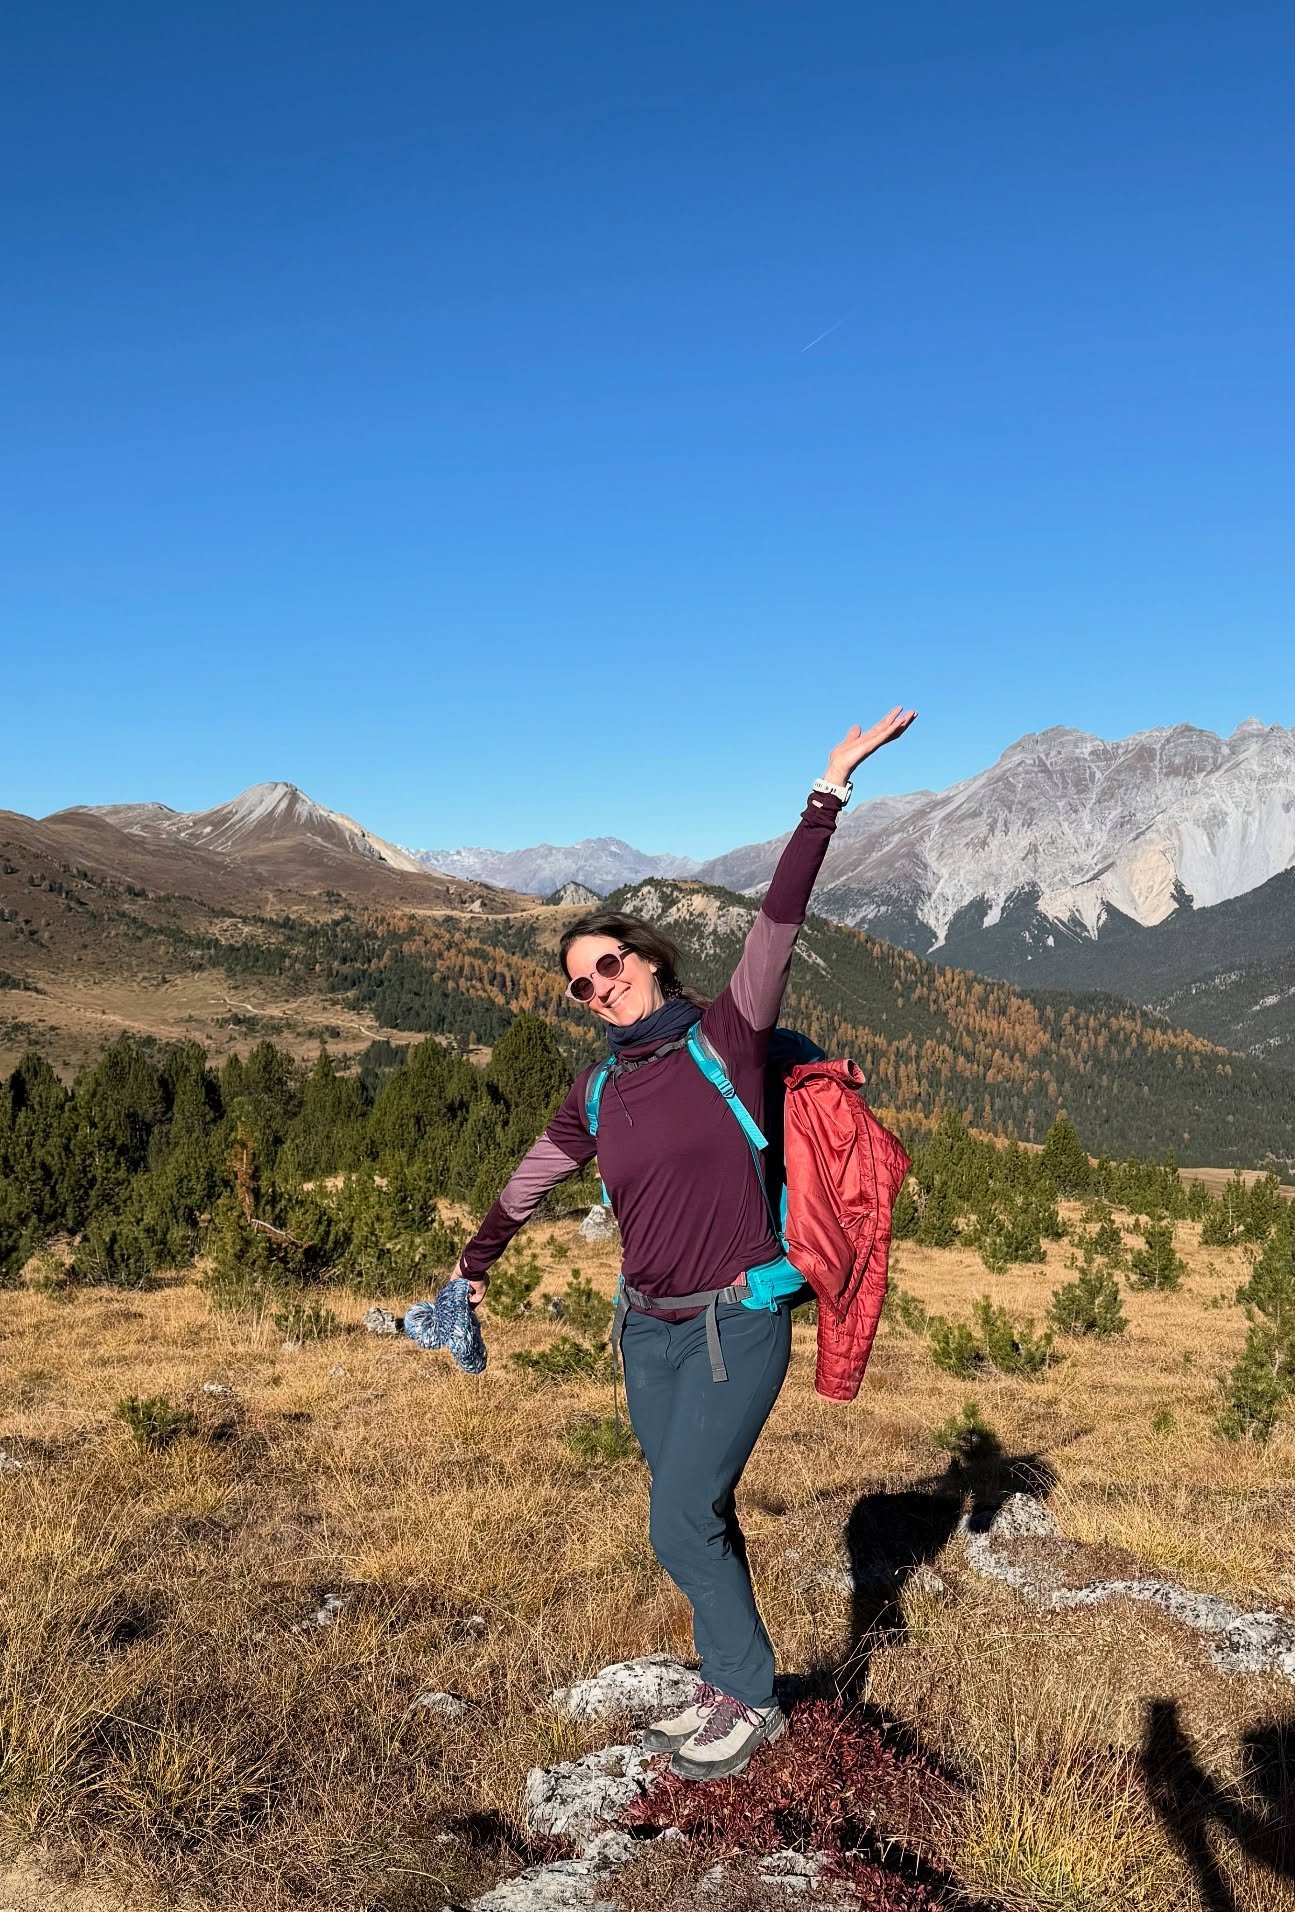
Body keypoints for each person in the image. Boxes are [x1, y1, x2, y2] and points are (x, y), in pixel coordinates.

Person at [457, 707, 917, 1781]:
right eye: (581, 982)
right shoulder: (600, 1085)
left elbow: (778, 924)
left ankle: (750, 1703)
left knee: (677, 1522)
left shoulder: (730, 1038)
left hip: (731, 1323)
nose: (600, 986)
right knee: (695, 1514)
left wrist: (829, 788)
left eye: (609, 964)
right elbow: (530, 1178)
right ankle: (728, 1679)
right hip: (644, 1331)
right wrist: (473, 1264)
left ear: (649, 959)